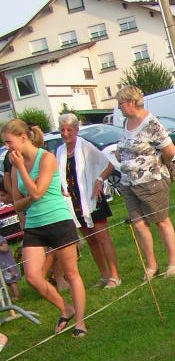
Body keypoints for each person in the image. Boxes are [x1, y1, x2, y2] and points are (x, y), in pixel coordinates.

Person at [1, 119, 87, 336]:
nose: (7, 148)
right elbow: (16, 203)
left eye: (9, 142)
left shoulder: (46, 158)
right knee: (32, 277)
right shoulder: (13, 166)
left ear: (23, 138)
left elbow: (38, 193)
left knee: (71, 273)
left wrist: (23, 172)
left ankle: (80, 322)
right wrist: (29, 191)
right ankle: (65, 308)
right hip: (34, 225)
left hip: (58, 220)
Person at [114, 85, 175, 279]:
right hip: (128, 183)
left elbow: (169, 150)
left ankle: (173, 262)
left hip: (151, 182)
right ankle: (152, 266)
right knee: (139, 224)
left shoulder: (151, 123)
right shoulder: (126, 122)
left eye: (121, 103)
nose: (119, 107)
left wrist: (159, 165)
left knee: (161, 221)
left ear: (132, 102)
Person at [56, 113, 121, 288]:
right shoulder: (60, 151)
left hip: (92, 198)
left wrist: (99, 180)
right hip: (75, 202)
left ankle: (115, 276)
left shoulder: (86, 147)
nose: (66, 133)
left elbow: (108, 165)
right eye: (62, 130)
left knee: (102, 238)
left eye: (70, 129)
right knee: (91, 241)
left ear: (76, 130)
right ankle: (104, 275)